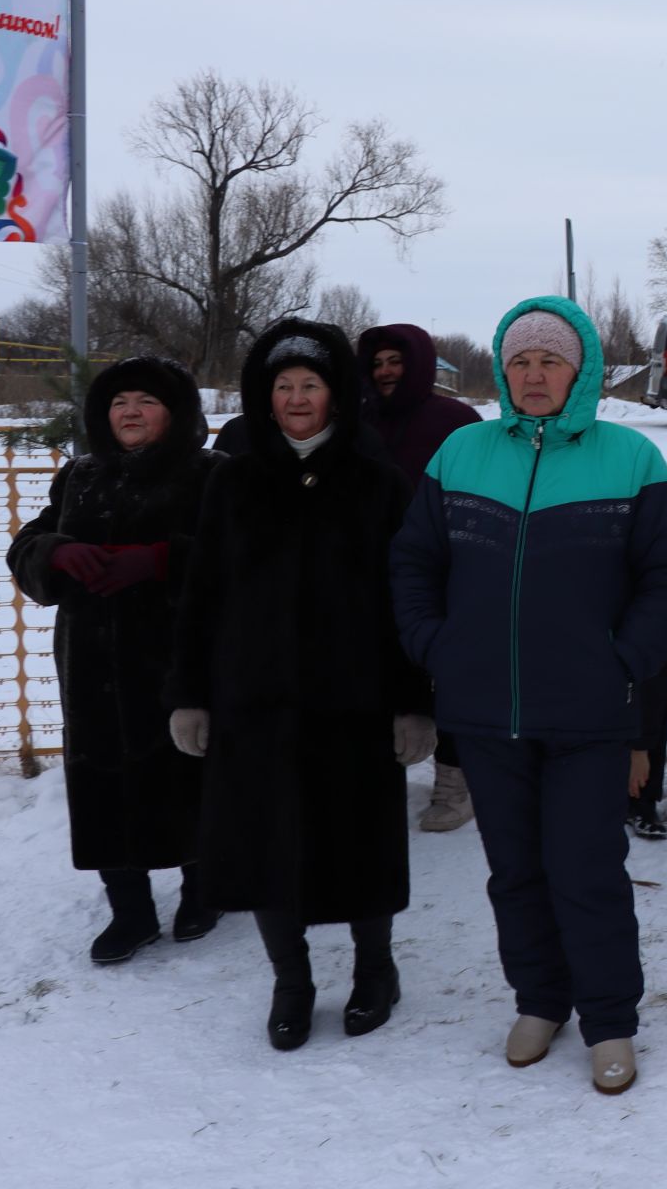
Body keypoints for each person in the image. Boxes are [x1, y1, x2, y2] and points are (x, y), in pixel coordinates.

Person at [389, 297, 667, 1096]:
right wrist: (437, 645)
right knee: (514, 871)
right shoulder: (462, 452)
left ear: (580, 372)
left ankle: (610, 1019)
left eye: (549, 361)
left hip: (589, 715)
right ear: (503, 368)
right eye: (521, 360)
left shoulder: (628, 458)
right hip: (486, 711)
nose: (534, 374)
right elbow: (413, 565)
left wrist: (620, 660)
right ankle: (538, 1000)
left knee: (587, 870)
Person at [169, 320, 433, 1051]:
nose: (295, 398)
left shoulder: (378, 482)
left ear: (335, 394)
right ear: (264, 393)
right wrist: (191, 693)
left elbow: (406, 599)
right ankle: (292, 980)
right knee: (265, 843)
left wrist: (414, 702)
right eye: (282, 385)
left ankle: (376, 972)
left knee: (360, 843)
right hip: (255, 704)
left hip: (356, 704)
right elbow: (202, 594)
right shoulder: (235, 480)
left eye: (309, 384)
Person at [7, 357, 223, 963]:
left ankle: (203, 891)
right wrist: (53, 554)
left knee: (187, 776)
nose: (130, 411)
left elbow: (240, 557)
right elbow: (28, 541)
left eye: (146, 401)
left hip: (179, 659)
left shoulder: (211, 474)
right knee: (103, 785)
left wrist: (161, 561)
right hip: (93, 665)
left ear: (175, 413)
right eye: (119, 401)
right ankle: (130, 912)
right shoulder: (80, 475)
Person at [356, 322, 483, 833]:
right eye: (378, 362)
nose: (386, 372)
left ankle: (455, 783)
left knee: (449, 676)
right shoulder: (357, 421)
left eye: (396, 361)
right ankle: (375, 777)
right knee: (379, 675)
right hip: (369, 572)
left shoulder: (455, 420)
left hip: (446, 570)